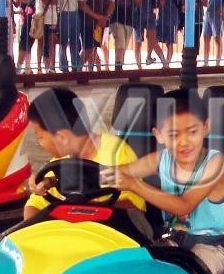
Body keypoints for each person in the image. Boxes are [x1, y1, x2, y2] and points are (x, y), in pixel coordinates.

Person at [105, 89, 224, 274]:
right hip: (174, 240)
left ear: (205, 127)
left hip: (214, 247)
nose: (184, 142)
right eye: (174, 135)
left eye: (192, 132)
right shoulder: (160, 159)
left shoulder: (217, 163)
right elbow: (116, 172)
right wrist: (55, 180)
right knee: (138, 269)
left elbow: (184, 205)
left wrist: (133, 185)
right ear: (159, 135)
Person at [22, 86, 144, 220]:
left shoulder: (117, 152)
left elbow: (133, 206)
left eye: (40, 137)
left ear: (62, 137)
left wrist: (82, 208)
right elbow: (33, 205)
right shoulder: (60, 163)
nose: (41, 143)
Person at [78, 0, 111, 72]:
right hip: (86, 22)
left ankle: (89, 73)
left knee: (94, 48)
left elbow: (112, 3)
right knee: (87, 49)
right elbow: (82, 5)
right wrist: (99, 17)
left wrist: (105, 17)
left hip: (99, 24)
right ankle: (77, 70)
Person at [110, 0, 140, 72]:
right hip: (116, 20)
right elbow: (110, 1)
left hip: (129, 21)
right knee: (120, 43)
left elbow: (138, 3)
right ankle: (118, 67)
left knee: (124, 45)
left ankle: (120, 66)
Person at [153, 0, 184, 68]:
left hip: (171, 18)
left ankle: (167, 64)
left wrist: (183, 6)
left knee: (169, 42)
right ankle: (164, 61)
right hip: (160, 18)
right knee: (154, 41)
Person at [55, 0, 82, 72]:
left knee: (75, 41)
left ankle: (75, 65)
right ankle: (63, 66)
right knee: (63, 41)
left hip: (74, 13)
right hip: (64, 14)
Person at [34, 0, 59, 73]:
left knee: (51, 41)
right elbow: (44, 0)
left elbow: (53, 1)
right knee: (40, 41)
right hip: (40, 16)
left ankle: (51, 66)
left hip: (51, 17)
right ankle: (39, 66)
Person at [11, 0, 35, 72]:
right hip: (25, 17)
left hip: (28, 18)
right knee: (27, 43)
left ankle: (20, 67)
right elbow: (18, 3)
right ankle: (27, 67)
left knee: (24, 43)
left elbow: (26, 1)